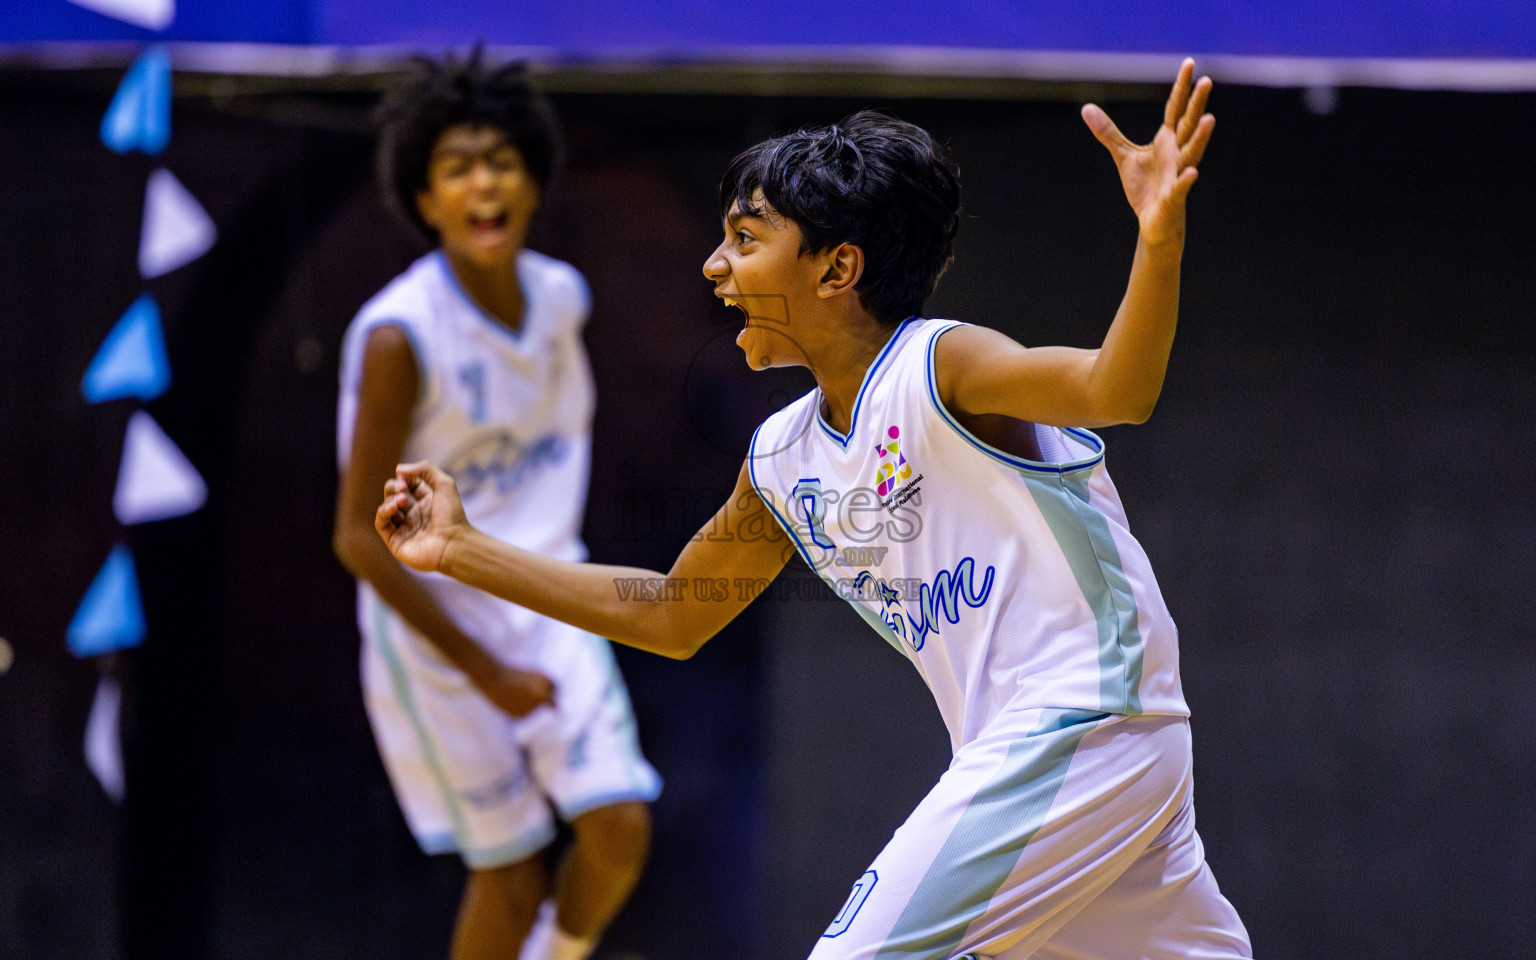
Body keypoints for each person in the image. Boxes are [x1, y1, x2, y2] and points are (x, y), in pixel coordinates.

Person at [375, 60, 1251, 960]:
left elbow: (1118, 386)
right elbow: (674, 614)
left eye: (745, 240)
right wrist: (460, 548)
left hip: (1086, 723)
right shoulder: (784, 456)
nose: (714, 265)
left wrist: (1158, 241)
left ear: (838, 267)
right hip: (1077, 755)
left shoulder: (940, 367)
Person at [333, 52, 659, 960]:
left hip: (547, 588)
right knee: (509, 874)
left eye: (502, 159)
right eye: (457, 166)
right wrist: (486, 671)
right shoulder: (399, 337)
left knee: (620, 824)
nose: (484, 181)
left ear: (534, 180)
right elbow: (358, 539)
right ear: (425, 198)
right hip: (439, 624)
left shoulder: (562, 296)